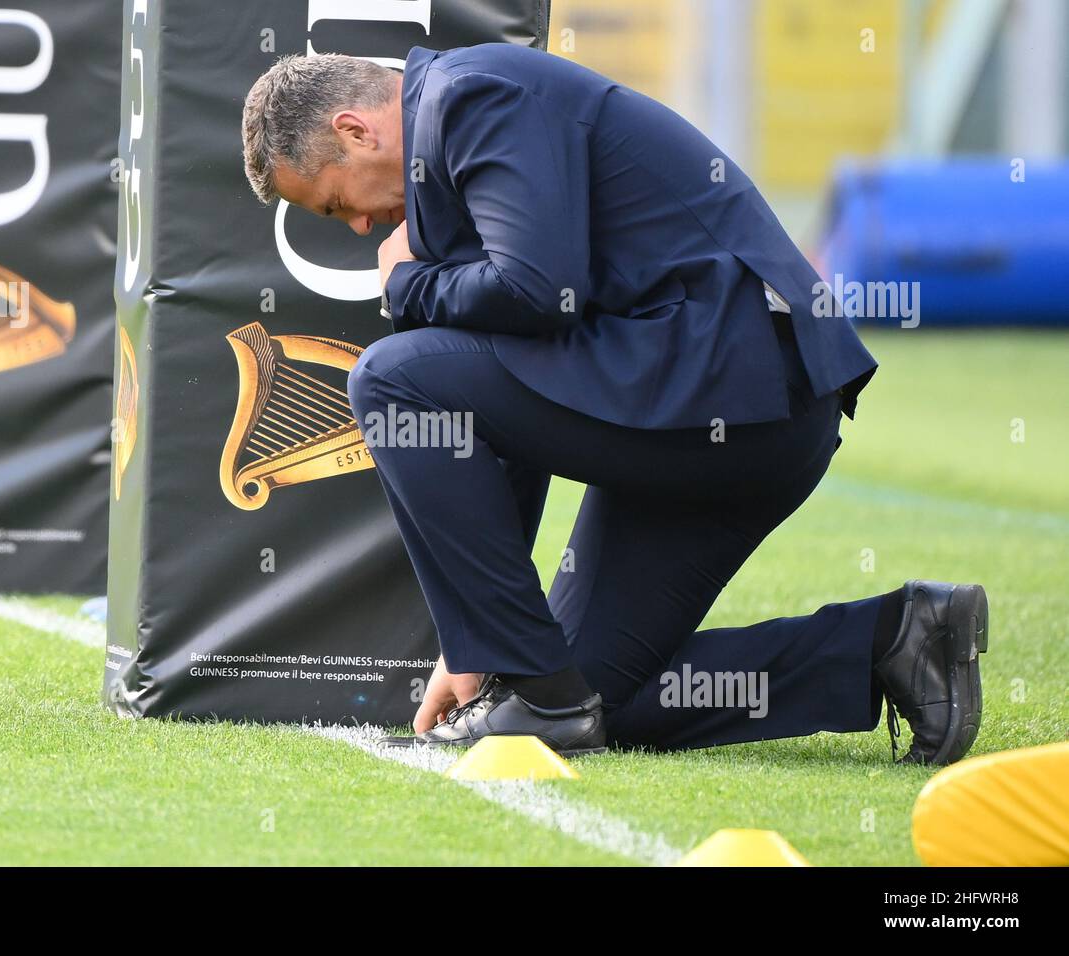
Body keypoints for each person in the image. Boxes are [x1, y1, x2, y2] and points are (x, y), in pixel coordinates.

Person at [239, 44, 988, 764]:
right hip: (708, 408)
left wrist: (407, 286)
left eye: (339, 205)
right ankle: (897, 640)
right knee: (578, 702)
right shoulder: (450, 147)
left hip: (736, 390)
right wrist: (479, 644)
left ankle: (539, 688)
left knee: (387, 377)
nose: (364, 228)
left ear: (355, 130)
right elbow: (501, 412)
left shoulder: (471, 100)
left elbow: (538, 292)